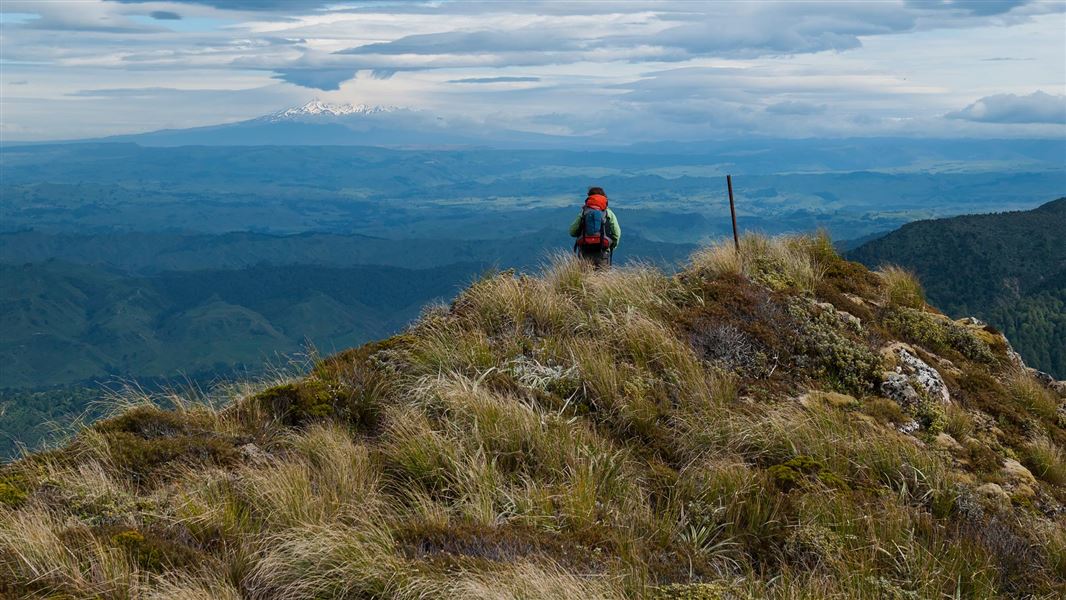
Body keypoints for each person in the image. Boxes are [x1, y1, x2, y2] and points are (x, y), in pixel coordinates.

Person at [569, 186, 621, 269]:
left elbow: (572, 231)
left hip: (584, 252)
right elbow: (617, 233)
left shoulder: (584, 212)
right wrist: (612, 246)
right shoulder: (608, 213)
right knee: (602, 280)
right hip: (603, 252)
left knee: (584, 279)